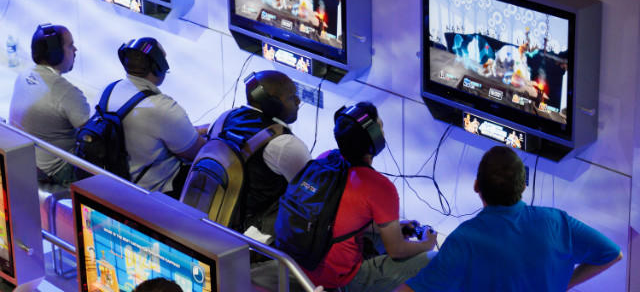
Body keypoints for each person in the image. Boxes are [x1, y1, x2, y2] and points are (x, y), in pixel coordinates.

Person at [395, 146, 623, 292]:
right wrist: (566, 283)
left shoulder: (464, 239)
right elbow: (612, 254)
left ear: (476, 186)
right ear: (523, 186)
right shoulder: (556, 221)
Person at [306, 102, 437, 292]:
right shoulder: (380, 187)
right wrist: (427, 244)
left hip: (303, 265)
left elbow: (338, 217)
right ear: (374, 139)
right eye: (380, 127)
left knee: (387, 235)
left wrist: (390, 228)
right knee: (433, 261)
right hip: (342, 280)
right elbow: (397, 250)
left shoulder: (324, 158)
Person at [99, 37, 206, 197]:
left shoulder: (108, 90)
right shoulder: (162, 108)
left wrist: (194, 130)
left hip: (111, 183)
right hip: (152, 194)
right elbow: (197, 152)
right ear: (159, 67)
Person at [218, 70, 311, 236]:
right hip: (252, 232)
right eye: (292, 97)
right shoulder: (284, 144)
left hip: (216, 214)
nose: (298, 101)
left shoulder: (224, 118)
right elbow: (311, 195)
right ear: (272, 106)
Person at [9, 24, 90, 186]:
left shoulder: (24, 74)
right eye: (70, 45)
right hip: (54, 171)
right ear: (56, 54)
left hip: (23, 161)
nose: (75, 50)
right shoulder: (66, 92)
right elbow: (92, 134)